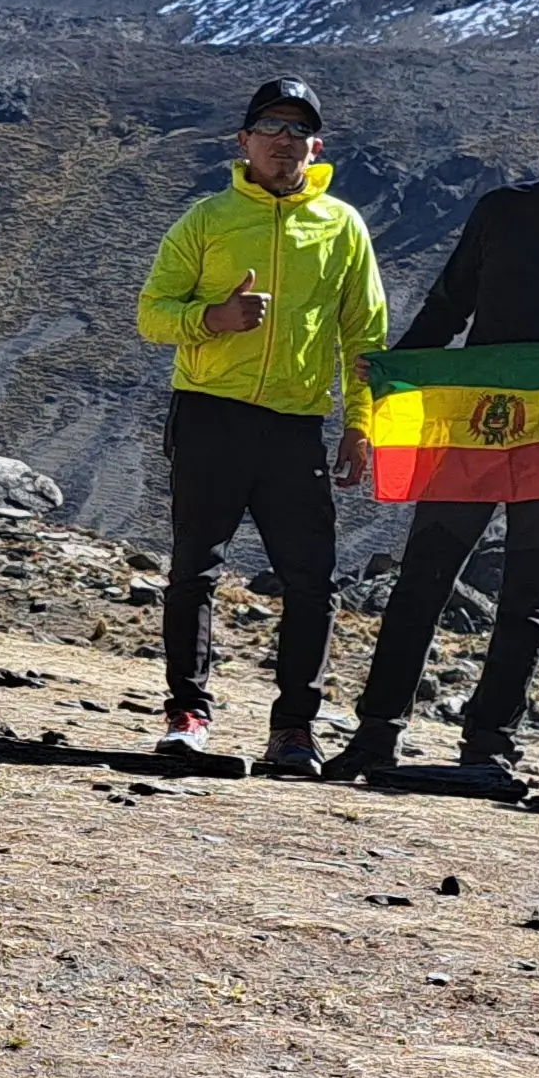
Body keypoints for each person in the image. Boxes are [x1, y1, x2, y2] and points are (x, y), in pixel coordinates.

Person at [330, 75, 539, 787]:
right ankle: (376, 732)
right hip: (474, 428)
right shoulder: (499, 213)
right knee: (422, 580)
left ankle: (489, 745)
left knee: (529, 596)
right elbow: (449, 304)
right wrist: (398, 372)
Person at [136, 76, 387, 775]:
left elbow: (364, 336)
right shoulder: (207, 220)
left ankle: (295, 732)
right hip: (210, 416)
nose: (283, 141)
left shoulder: (341, 226)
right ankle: (187, 714)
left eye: (297, 129)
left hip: (294, 425)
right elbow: (152, 312)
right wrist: (210, 320)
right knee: (194, 569)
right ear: (243, 141)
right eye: (270, 127)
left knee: (312, 581)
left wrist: (359, 424)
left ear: (317, 146)